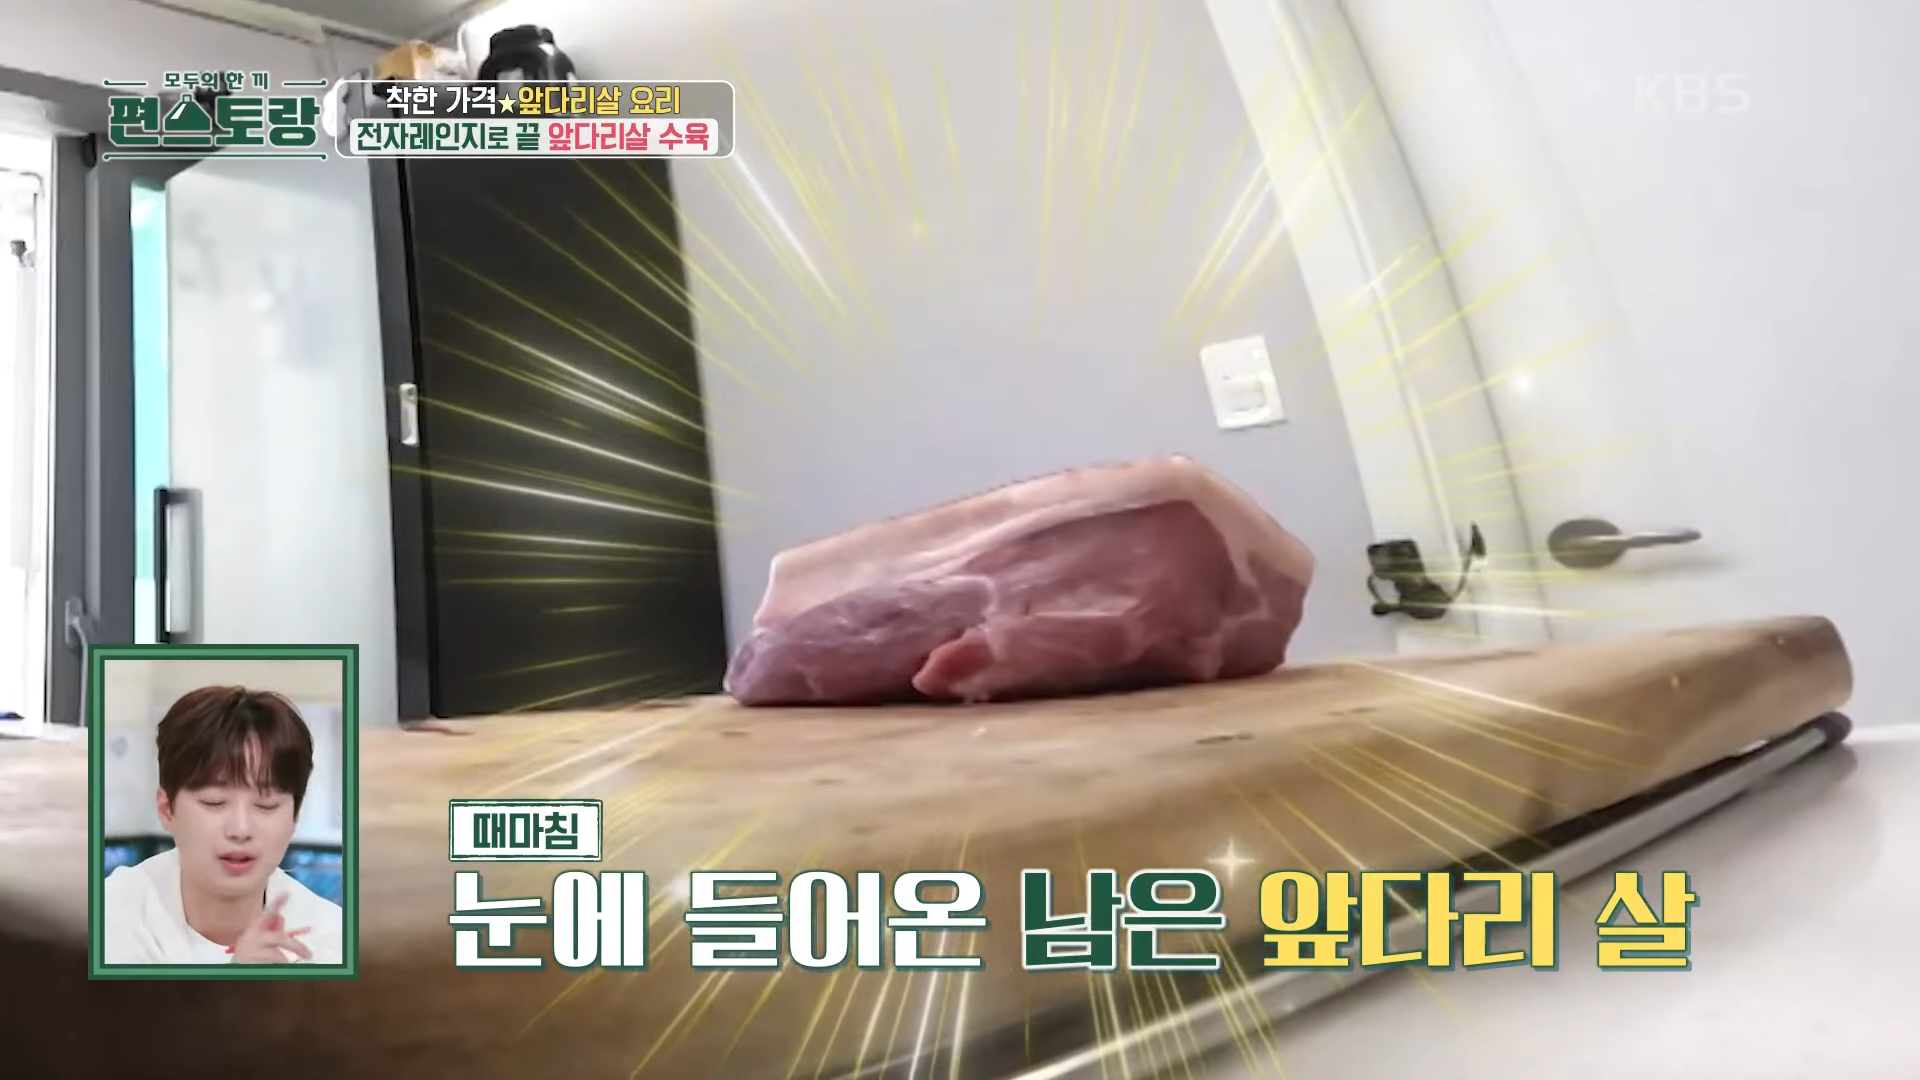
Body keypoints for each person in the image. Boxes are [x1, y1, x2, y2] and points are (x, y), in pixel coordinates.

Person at [102, 686, 342, 965]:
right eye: (214, 802)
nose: (240, 830)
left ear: (294, 817)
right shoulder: (112, 914)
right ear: (167, 809)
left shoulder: (332, 939)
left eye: (266, 805)